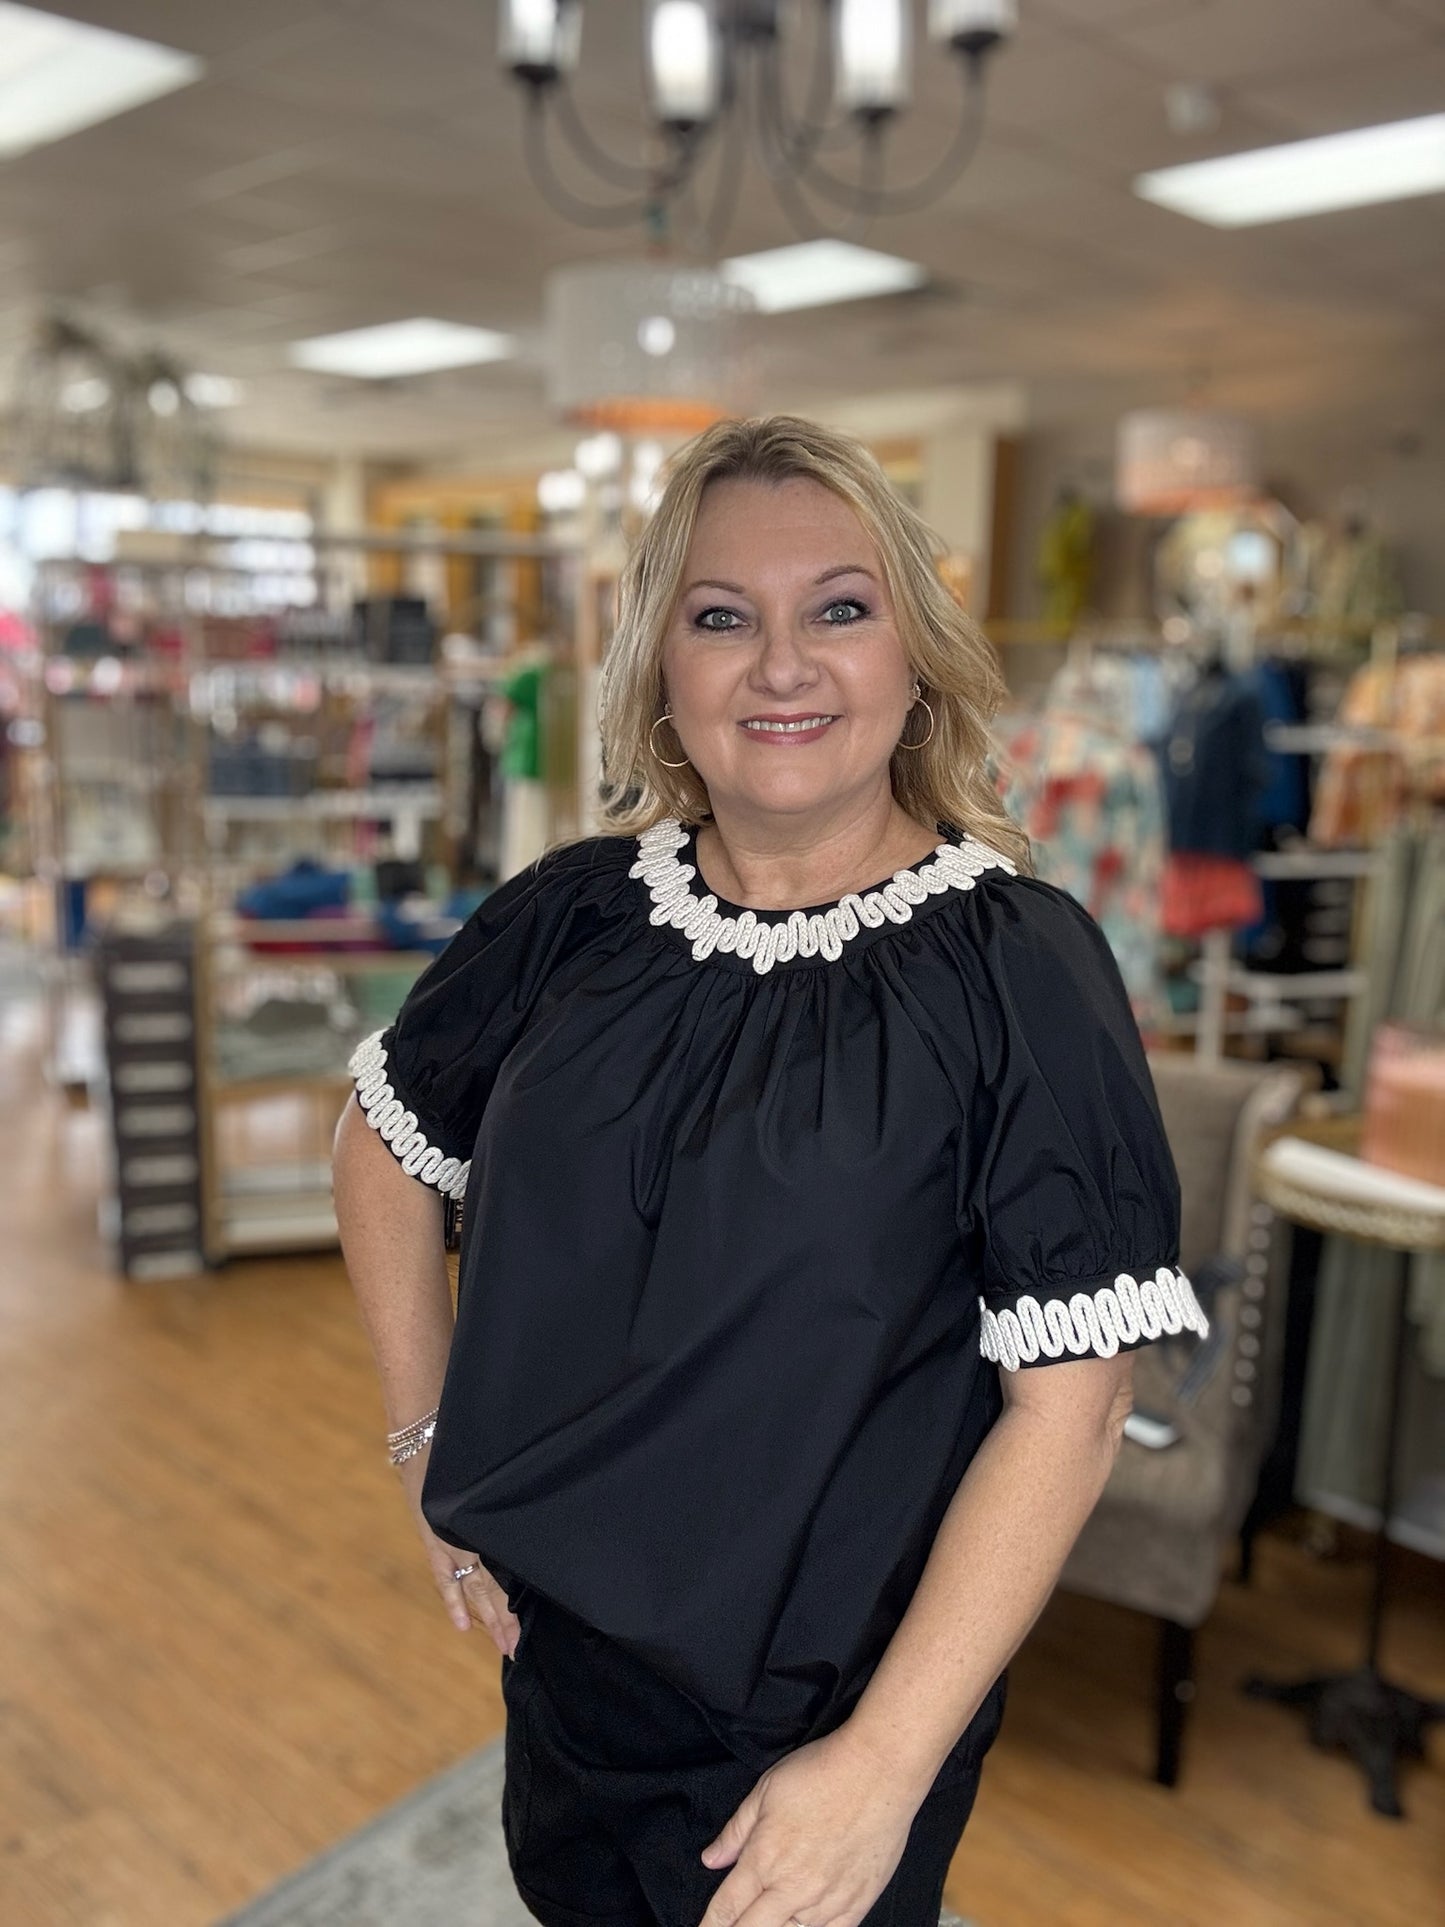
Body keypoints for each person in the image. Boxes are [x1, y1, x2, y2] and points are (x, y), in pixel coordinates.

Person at [333, 415, 1207, 1927]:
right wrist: (423, 1446)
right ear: (662, 668)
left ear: (914, 655)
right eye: (722, 618)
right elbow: (381, 1144)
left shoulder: (1015, 967)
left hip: (826, 1714)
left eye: (840, 609)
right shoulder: (573, 917)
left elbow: (1071, 1412)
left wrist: (880, 1763)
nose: (781, 664)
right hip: (566, 1674)